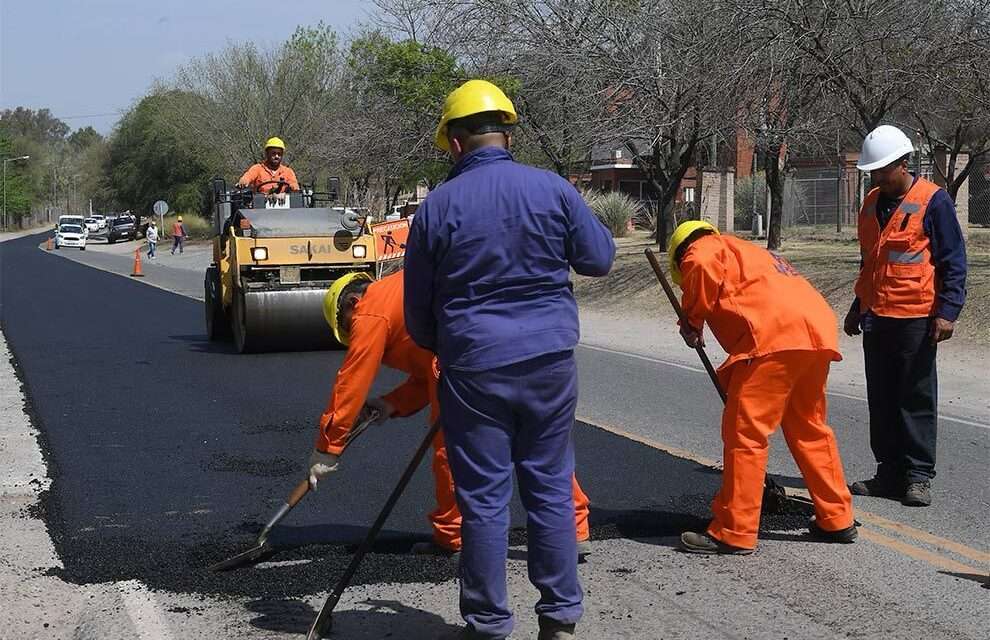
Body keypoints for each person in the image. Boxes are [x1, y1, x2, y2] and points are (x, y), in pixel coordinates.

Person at [403, 80, 615, 640]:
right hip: (548, 361)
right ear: (508, 131)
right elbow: (598, 259)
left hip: (474, 367)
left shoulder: (436, 208)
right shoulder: (552, 190)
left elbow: (418, 314)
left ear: (453, 142)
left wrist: (447, 349)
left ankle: (490, 624)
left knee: (485, 499)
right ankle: (560, 617)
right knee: (548, 484)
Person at [307, 270, 592, 557]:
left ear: (352, 303)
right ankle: (571, 531)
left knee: (454, 451)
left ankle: (456, 536)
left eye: (349, 327)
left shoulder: (370, 309)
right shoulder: (407, 291)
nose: (355, 332)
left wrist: (329, 446)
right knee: (539, 444)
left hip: (465, 365)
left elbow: (353, 379)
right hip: (523, 345)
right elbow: (424, 373)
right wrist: (392, 403)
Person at [669, 221, 857, 555]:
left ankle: (735, 530)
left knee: (746, 434)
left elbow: (698, 265)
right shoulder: (750, 252)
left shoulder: (702, 250)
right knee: (810, 429)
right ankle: (837, 518)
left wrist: (692, 320)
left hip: (773, 338)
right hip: (815, 334)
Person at [844, 125, 967, 507]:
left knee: (914, 397)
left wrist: (947, 312)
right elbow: (871, 263)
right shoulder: (870, 203)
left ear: (903, 163)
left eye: (882, 170)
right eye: (873, 171)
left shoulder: (934, 201)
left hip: (916, 318)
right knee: (880, 398)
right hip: (876, 316)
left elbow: (954, 262)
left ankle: (917, 476)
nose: (877, 177)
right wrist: (856, 307)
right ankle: (889, 472)